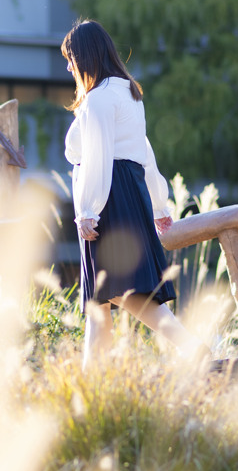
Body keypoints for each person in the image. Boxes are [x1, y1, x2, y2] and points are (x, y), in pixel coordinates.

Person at [61, 19, 207, 367]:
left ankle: (192, 348)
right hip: (129, 188)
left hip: (108, 196)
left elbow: (97, 157)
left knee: (124, 292)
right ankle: (93, 383)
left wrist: (86, 210)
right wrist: (158, 200)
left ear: (85, 56)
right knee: (101, 301)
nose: (68, 67)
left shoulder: (97, 99)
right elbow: (143, 150)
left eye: (70, 58)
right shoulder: (128, 92)